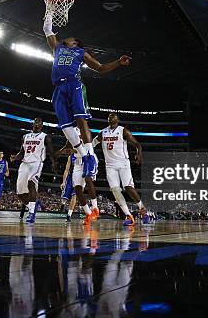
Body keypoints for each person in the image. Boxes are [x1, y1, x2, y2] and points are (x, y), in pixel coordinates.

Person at [43, 15, 131, 188]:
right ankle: (86, 156)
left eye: (68, 37)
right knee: (65, 126)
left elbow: (100, 68)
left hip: (74, 85)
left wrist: (118, 63)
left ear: (75, 42)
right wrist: (49, 12)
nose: (64, 37)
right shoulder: (57, 48)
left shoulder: (81, 52)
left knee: (80, 119)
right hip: (58, 88)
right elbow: (47, 30)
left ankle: (90, 154)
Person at [93, 113, 150, 226]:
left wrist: (139, 154)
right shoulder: (103, 132)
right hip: (110, 165)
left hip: (123, 163)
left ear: (117, 120)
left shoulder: (123, 131)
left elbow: (137, 144)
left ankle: (142, 210)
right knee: (115, 190)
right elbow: (92, 144)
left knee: (128, 187)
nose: (110, 116)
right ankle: (129, 216)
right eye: (109, 115)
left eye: (113, 115)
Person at [10, 117, 57, 223]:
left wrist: (54, 163)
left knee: (31, 182)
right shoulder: (25, 137)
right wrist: (15, 157)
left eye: (39, 122)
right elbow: (22, 153)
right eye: (35, 121)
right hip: (24, 164)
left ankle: (31, 214)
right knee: (19, 193)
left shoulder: (45, 137)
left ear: (42, 125)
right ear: (33, 123)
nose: (37, 123)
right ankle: (32, 206)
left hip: (37, 163)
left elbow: (50, 152)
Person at [60, 152, 78, 223]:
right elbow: (67, 170)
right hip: (71, 177)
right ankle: (63, 204)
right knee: (64, 198)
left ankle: (69, 215)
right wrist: (63, 182)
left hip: (79, 178)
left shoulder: (84, 154)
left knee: (74, 195)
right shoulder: (71, 156)